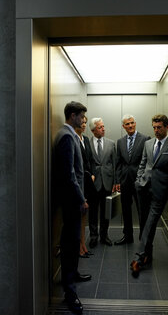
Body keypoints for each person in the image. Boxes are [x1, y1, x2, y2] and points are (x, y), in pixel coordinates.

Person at [130, 114, 168, 277]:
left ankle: (139, 258)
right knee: (144, 223)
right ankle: (147, 254)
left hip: (160, 191)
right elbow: (143, 163)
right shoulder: (148, 143)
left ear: (166, 126)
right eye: (154, 127)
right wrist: (138, 180)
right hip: (143, 189)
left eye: (159, 127)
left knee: (151, 224)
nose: (156, 130)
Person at [52, 101, 91, 314]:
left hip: (72, 200)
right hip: (71, 201)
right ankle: (70, 291)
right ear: (73, 115)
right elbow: (69, 175)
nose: (83, 120)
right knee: (70, 243)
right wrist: (81, 198)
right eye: (82, 116)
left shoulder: (67, 134)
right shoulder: (66, 137)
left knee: (72, 241)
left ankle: (73, 274)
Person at [114, 114, 150, 245]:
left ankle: (143, 238)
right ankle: (128, 236)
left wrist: (144, 180)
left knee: (143, 210)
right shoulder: (120, 141)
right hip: (125, 182)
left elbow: (148, 163)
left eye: (132, 123)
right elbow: (118, 163)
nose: (130, 126)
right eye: (127, 124)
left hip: (140, 182)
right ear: (123, 126)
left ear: (135, 123)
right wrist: (118, 181)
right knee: (126, 210)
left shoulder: (145, 139)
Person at [89, 117, 116, 248]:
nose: (103, 129)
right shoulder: (87, 143)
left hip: (107, 181)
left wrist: (116, 182)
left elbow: (114, 164)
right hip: (94, 183)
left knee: (106, 211)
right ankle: (93, 236)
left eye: (103, 126)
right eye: (100, 127)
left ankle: (104, 236)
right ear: (93, 130)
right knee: (93, 211)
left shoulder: (111, 144)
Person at [75, 116, 96, 258]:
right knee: (78, 215)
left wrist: (93, 174)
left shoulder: (86, 139)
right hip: (78, 183)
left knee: (84, 215)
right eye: (81, 122)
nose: (83, 125)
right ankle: (79, 247)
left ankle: (83, 245)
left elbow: (90, 160)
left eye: (85, 123)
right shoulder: (73, 139)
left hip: (87, 181)